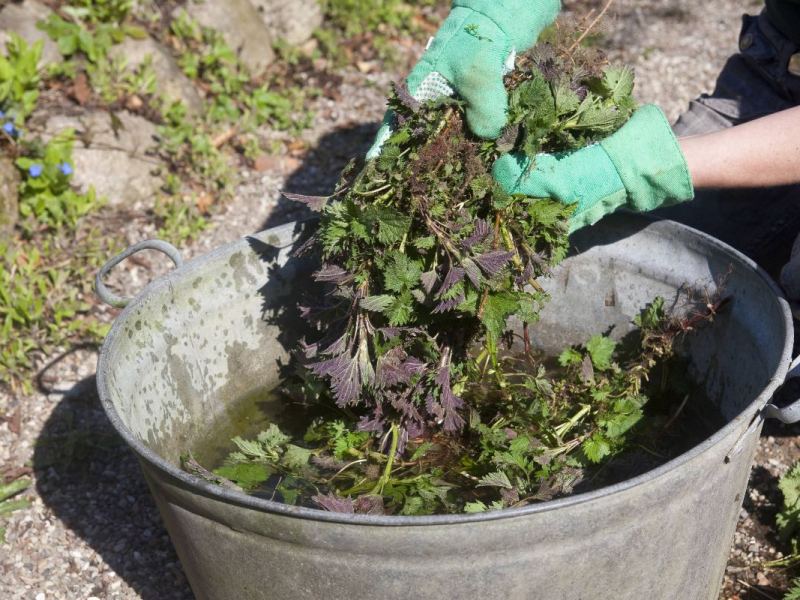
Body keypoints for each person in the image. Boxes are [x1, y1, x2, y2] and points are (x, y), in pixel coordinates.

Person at [369, 0, 800, 294]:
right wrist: (493, 16)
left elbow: (645, 166)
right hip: (777, 55)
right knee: (659, 247)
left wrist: (645, 164)